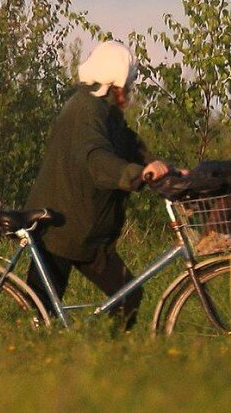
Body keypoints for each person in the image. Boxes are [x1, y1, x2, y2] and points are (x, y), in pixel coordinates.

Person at [24, 40, 171, 329]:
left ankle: (108, 362)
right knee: (41, 316)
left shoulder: (105, 112)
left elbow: (131, 146)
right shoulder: (86, 111)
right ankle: (23, 364)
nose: (129, 91)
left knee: (128, 296)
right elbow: (97, 159)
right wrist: (136, 174)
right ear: (113, 82)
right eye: (126, 84)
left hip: (86, 231)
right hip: (62, 229)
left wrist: (165, 169)